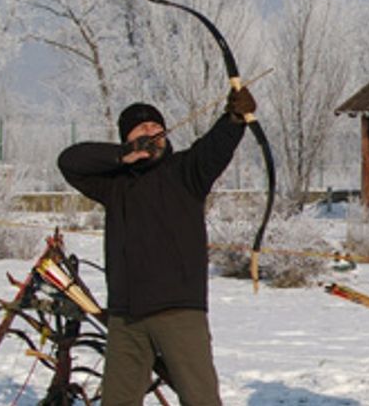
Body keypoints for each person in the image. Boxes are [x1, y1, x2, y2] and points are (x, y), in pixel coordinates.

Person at [57, 87, 257, 406]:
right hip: (126, 315)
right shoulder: (113, 184)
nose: (152, 131)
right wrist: (122, 156)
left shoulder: (185, 171)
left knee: (200, 398)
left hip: (177, 309)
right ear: (129, 138)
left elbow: (215, 147)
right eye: (142, 127)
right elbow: (69, 161)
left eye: (156, 126)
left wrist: (234, 119)